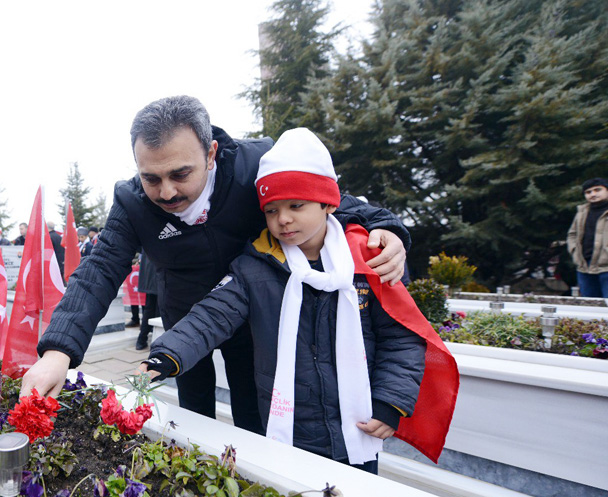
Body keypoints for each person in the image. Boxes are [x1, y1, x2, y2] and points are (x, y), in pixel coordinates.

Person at [21, 96, 408, 435]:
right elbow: (99, 269)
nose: (167, 192)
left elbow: (328, 199)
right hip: (186, 323)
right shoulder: (132, 202)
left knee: (254, 415)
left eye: (180, 174)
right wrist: (58, 353)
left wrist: (386, 228)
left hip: (257, 320)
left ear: (210, 153)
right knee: (192, 414)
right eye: (151, 178)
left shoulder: (258, 164)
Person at [141, 128, 425, 473]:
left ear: (328, 203)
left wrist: (390, 402)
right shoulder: (255, 265)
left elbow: (402, 336)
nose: (283, 219)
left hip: (358, 429)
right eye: (272, 210)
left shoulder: (369, 261)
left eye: (296, 205)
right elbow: (212, 316)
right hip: (285, 427)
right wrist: (168, 353)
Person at [567, 178, 608, 298]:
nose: (593, 194)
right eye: (588, 192)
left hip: (606, 266)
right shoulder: (582, 212)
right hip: (585, 266)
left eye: (597, 190)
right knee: (590, 306)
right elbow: (572, 234)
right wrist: (574, 252)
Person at [135, 251, 158, 351]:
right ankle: (146, 340)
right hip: (159, 276)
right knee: (157, 309)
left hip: (150, 276)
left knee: (149, 309)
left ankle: (141, 340)